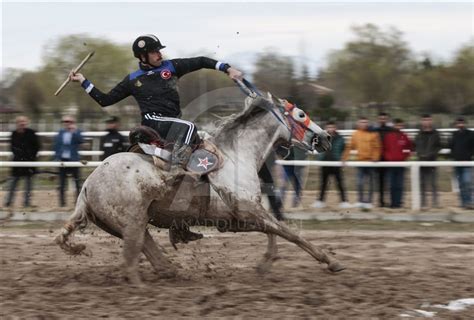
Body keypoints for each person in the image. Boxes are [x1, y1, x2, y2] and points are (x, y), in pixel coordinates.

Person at [69, 34, 243, 171]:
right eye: (155, 52)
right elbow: (105, 100)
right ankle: (177, 169)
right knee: (189, 127)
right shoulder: (132, 79)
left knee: (201, 138)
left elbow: (201, 61)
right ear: (143, 56)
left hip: (172, 122)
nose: (160, 54)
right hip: (153, 121)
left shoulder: (171, 67)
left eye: (159, 51)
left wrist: (227, 68)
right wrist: (84, 81)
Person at [343, 117, 381, 209]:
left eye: (365, 122)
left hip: (371, 163)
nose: (363, 124)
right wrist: (344, 158)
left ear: (367, 123)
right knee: (359, 183)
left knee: (371, 183)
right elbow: (349, 147)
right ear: (358, 123)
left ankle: (369, 202)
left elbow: (377, 147)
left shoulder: (373, 134)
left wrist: (375, 158)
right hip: (360, 162)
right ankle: (360, 200)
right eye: (361, 122)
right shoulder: (355, 134)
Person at [4, 116, 41, 208]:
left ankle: (26, 203)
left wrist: (30, 157)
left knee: (28, 185)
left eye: (24, 121)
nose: (22, 123)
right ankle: (8, 202)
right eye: (20, 121)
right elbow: (13, 148)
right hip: (17, 163)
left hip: (29, 163)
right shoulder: (13, 134)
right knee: (13, 184)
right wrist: (20, 157)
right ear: (17, 123)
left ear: (27, 122)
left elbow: (37, 147)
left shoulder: (31, 133)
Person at [311, 121, 350, 209]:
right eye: (329, 127)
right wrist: (319, 159)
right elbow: (317, 148)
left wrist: (343, 159)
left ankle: (344, 201)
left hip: (336, 164)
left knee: (340, 183)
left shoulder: (340, 138)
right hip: (325, 164)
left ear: (335, 128)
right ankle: (320, 201)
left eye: (332, 127)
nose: (331, 129)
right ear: (326, 128)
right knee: (323, 184)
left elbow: (345, 150)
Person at [54, 115, 84, 207]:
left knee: (77, 182)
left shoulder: (77, 131)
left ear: (73, 123)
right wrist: (56, 158)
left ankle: (78, 202)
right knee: (62, 183)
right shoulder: (60, 133)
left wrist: (74, 132)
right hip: (63, 160)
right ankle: (62, 204)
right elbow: (56, 146)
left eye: (69, 122)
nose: (67, 123)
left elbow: (81, 141)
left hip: (74, 159)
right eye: (65, 122)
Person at [382, 119, 413, 208]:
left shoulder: (404, 136)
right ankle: (393, 203)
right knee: (391, 185)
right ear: (394, 126)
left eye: (400, 125)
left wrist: (405, 157)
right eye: (397, 125)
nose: (399, 127)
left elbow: (410, 148)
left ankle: (399, 203)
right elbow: (384, 149)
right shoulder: (388, 136)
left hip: (401, 164)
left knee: (399, 185)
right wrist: (388, 158)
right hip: (390, 164)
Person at [414, 114, 442, 208]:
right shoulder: (419, 134)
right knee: (422, 184)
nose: (426, 122)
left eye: (428, 120)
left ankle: (435, 203)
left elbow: (439, 146)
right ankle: (423, 203)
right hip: (421, 161)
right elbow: (416, 146)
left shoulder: (436, 133)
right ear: (421, 121)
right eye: (424, 120)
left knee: (433, 183)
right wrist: (420, 154)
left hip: (432, 161)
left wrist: (432, 154)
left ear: (431, 121)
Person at [449, 117, 474, 209]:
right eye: (458, 123)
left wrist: (469, 155)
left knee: (467, 182)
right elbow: (451, 146)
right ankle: (463, 203)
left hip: (467, 162)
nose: (460, 125)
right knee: (460, 184)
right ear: (456, 124)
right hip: (457, 162)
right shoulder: (454, 134)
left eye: (462, 123)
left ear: (464, 123)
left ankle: (470, 201)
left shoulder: (470, 134)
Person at [375, 112, 394, 207]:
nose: (382, 120)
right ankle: (381, 201)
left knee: (390, 181)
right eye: (381, 118)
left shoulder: (390, 130)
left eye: (384, 118)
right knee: (380, 182)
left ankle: (391, 201)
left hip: (388, 159)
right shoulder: (375, 130)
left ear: (387, 119)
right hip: (378, 159)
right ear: (378, 119)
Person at [258, 151, 284, 220]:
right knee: (270, 188)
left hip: (264, 163)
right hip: (263, 164)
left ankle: (277, 211)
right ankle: (277, 211)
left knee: (270, 188)